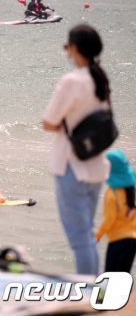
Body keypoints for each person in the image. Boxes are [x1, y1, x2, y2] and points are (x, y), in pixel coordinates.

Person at [42, 24, 112, 275]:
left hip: (71, 165)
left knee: (79, 238)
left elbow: (49, 123)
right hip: (96, 165)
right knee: (87, 233)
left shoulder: (72, 81)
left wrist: (62, 121)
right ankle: (92, 289)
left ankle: (87, 292)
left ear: (74, 48)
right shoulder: (100, 77)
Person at [96, 149, 136, 273]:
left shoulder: (112, 193)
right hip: (133, 240)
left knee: (109, 279)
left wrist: (97, 236)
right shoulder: (131, 190)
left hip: (118, 240)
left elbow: (109, 219)